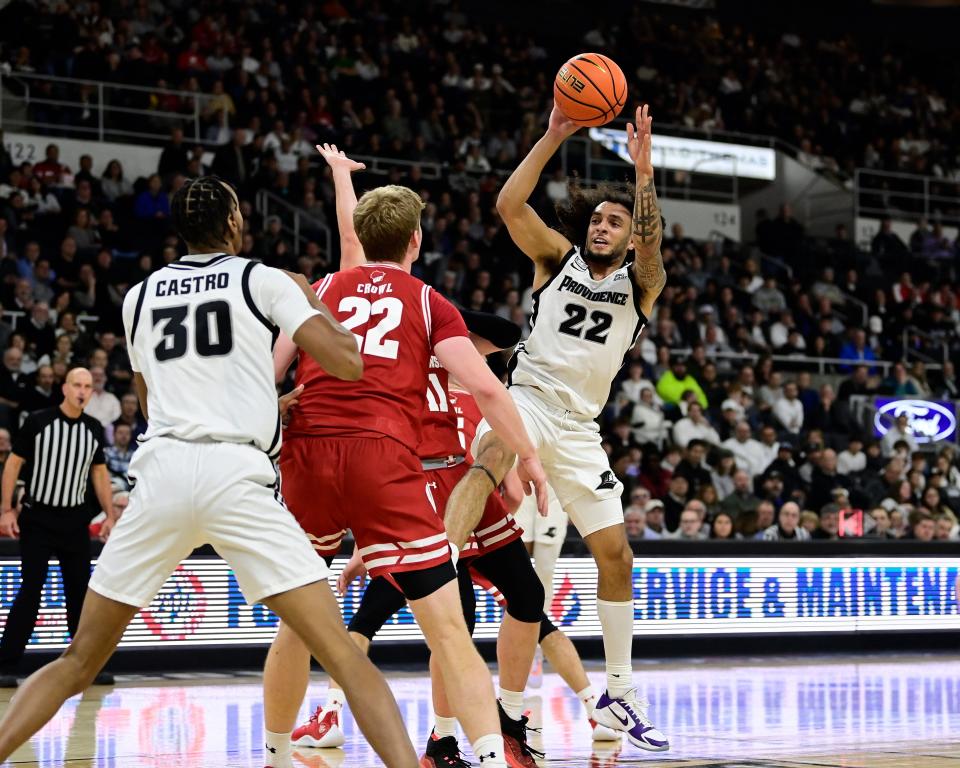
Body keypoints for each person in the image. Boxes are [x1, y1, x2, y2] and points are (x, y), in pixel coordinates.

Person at [0, 176, 421, 767]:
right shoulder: (264, 279)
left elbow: (148, 404)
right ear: (233, 223)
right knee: (344, 656)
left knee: (77, 661)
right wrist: (310, 296)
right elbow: (349, 362)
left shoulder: (138, 296)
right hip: (236, 475)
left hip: (163, 472)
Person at [274, 145, 550, 767]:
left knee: (305, 616)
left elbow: (346, 262)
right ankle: (473, 744)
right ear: (417, 240)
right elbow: (487, 385)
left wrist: (342, 180)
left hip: (312, 454)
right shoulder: (427, 306)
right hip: (394, 465)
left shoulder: (322, 290)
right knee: (448, 624)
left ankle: (276, 750)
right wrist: (529, 457)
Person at [443, 104, 669, 752]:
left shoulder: (642, 285)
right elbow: (510, 206)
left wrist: (642, 169)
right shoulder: (556, 260)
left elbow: (652, 244)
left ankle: (619, 693)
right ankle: (439, 560)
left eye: (614, 221)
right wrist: (553, 135)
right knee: (487, 459)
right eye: (598, 218)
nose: (602, 225)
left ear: (629, 237)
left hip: (579, 428)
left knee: (616, 555)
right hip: (529, 397)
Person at [0, 368, 118, 688]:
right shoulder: (39, 421)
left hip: (74, 521)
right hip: (38, 518)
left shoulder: (94, 428)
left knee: (80, 594)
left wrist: (109, 514)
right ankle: (6, 664)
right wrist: (6, 508)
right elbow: (13, 463)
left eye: (87, 387)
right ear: (64, 388)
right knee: (31, 590)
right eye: (76, 385)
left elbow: (99, 474)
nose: (81, 391)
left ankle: (85, 666)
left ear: (91, 393)